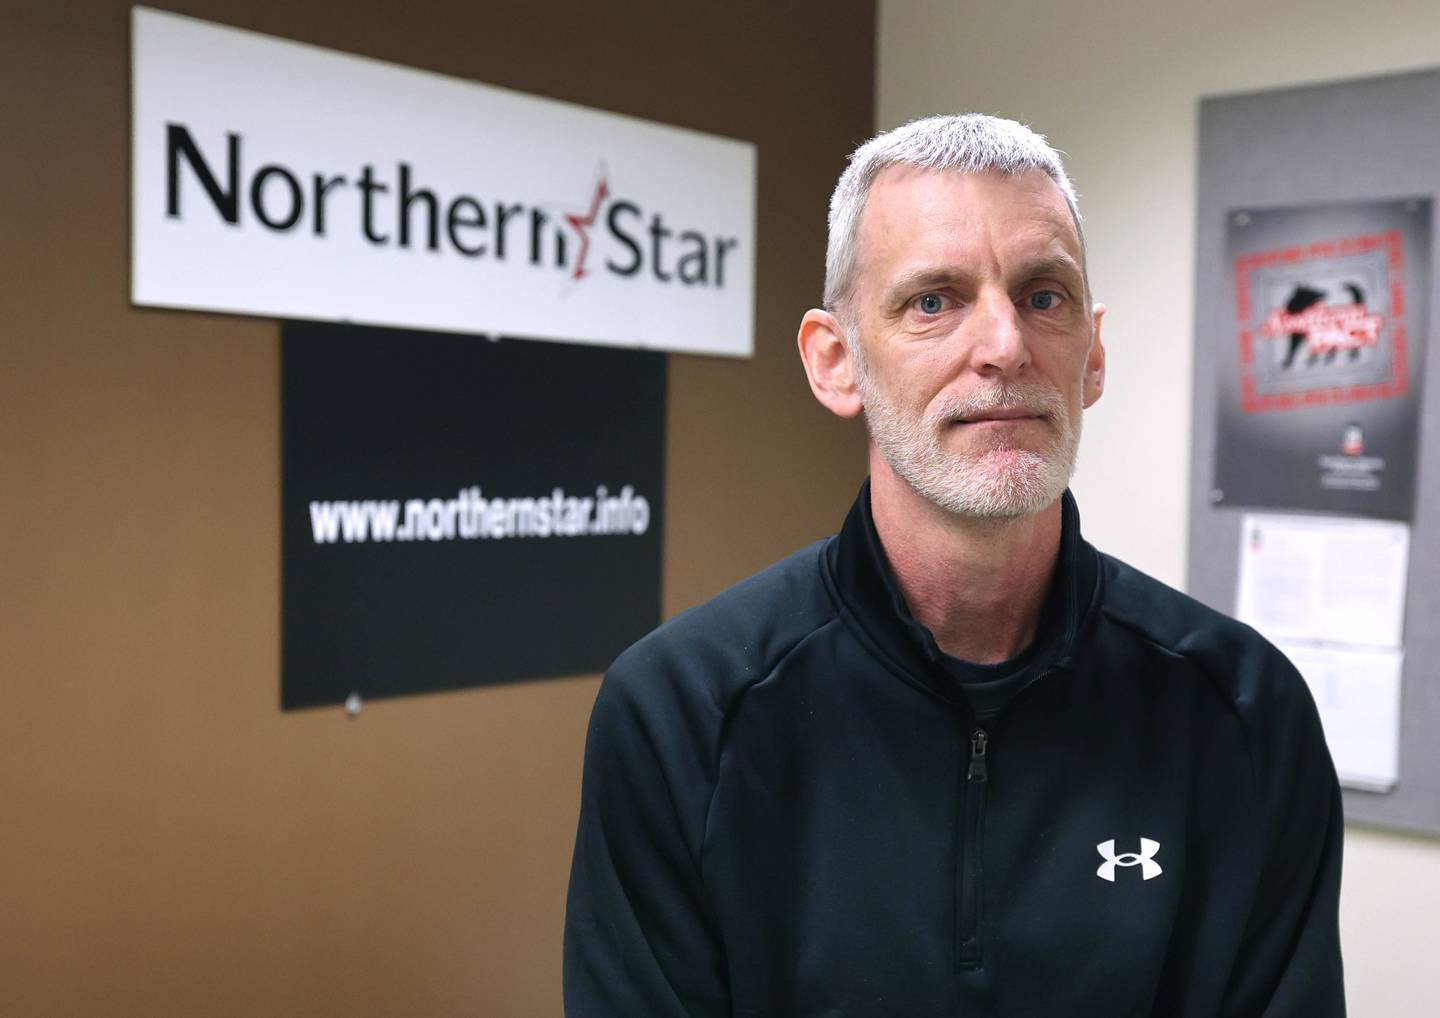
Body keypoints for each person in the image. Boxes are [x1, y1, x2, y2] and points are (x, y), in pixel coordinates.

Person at [563, 114, 1345, 1017]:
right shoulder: (682, 715)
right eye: (933, 301)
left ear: (1091, 355)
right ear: (835, 361)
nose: (1005, 347)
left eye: (1043, 296)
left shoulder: (1243, 710)